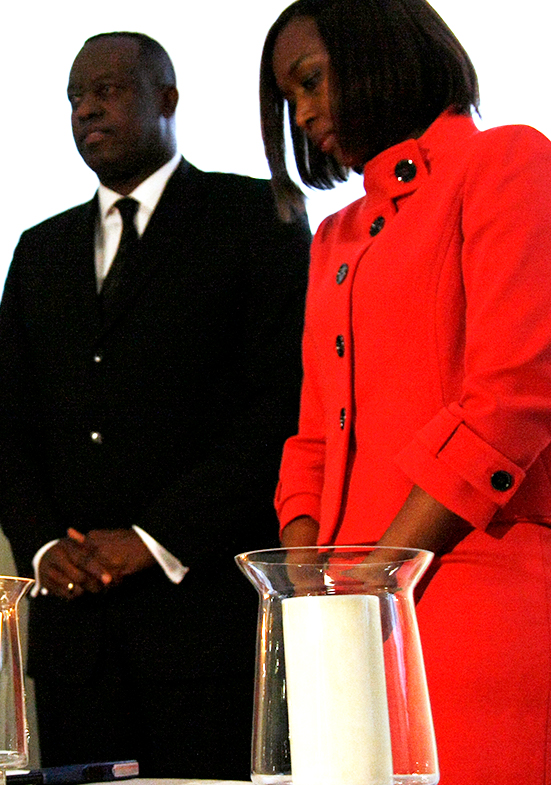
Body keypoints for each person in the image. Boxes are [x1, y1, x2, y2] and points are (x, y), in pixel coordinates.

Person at [0, 32, 310, 779]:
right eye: (73, 97)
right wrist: (40, 546)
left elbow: (280, 409)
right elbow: (6, 418)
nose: (87, 109)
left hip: (205, 621)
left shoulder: (257, 217)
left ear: (167, 100)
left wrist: (153, 536)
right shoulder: (41, 249)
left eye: (108, 90)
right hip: (74, 637)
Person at [262, 1, 551, 782]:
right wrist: (311, 588)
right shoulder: (334, 237)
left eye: (311, 80)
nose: (304, 112)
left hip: (475, 600)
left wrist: (375, 578)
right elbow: (313, 438)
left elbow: (512, 401)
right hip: (347, 628)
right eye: (290, 99)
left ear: (378, 46)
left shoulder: (508, 161)